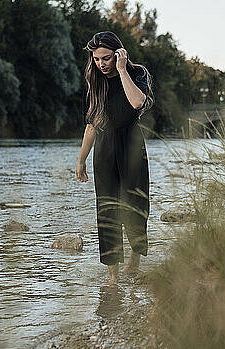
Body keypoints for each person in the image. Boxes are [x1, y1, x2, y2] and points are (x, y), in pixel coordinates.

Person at [75, 31, 154, 284]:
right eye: (97, 59)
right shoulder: (94, 82)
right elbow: (92, 125)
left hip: (131, 145)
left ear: (118, 54)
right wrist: (81, 160)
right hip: (104, 148)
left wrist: (122, 70)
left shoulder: (136, 73)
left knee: (135, 204)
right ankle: (112, 277)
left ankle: (135, 258)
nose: (101, 64)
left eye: (106, 58)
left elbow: (137, 102)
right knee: (107, 209)